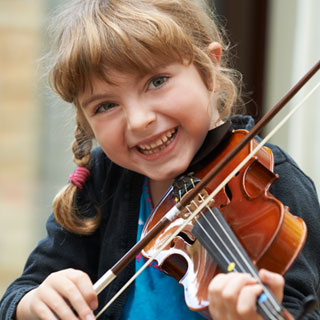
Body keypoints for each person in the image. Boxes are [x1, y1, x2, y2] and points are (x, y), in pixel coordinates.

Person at [1, 0, 320, 319]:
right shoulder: (101, 181)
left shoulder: (270, 179)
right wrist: (33, 303)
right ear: (86, 122)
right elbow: (19, 294)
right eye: (106, 105)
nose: (139, 121)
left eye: (157, 82)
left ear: (208, 68)